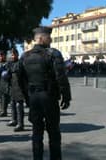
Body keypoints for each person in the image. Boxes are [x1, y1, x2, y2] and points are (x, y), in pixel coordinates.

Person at [19, 26, 71, 160]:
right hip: (49, 97)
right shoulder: (53, 53)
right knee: (54, 131)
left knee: (36, 131)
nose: (51, 39)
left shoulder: (25, 56)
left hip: (34, 98)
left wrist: (27, 98)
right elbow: (61, 77)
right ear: (41, 38)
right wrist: (66, 96)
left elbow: (21, 80)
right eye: (49, 37)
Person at [7, 48, 25, 132]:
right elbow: (8, 74)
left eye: (14, 54)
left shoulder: (21, 63)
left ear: (17, 54)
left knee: (19, 105)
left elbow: (25, 75)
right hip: (12, 85)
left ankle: (20, 124)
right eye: (11, 55)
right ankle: (14, 120)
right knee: (12, 103)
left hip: (19, 86)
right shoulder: (9, 64)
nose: (12, 56)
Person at [0, 51, 11, 117]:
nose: (0, 57)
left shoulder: (6, 64)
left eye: (1, 55)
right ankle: (2, 109)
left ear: (4, 56)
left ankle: (4, 111)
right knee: (1, 97)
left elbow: (6, 73)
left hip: (4, 82)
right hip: (0, 82)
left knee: (4, 97)